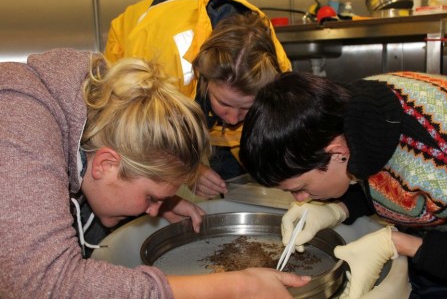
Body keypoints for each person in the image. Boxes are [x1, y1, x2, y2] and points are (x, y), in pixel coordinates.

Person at [0, 48, 311, 298]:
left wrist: (163, 199)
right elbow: (46, 284)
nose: (152, 211)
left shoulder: (86, 127)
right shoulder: (17, 127)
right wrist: (237, 286)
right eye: (151, 198)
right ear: (107, 164)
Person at [239, 71, 447, 298]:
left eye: (300, 188)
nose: (299, 199)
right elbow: (376, 172)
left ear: (337, 153)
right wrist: (339, 208)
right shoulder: (350, 112)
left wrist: (400, 243)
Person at [104, 0, 291, 198]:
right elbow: (144, 134)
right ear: (205, 76)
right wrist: (191, 171)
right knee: (145, 183)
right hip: (136, 44)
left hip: (193, 79)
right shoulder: (167, 65)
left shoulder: (274, 69)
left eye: (246, 108)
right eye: (225, 104)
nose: (233, 118)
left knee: (235, 180)